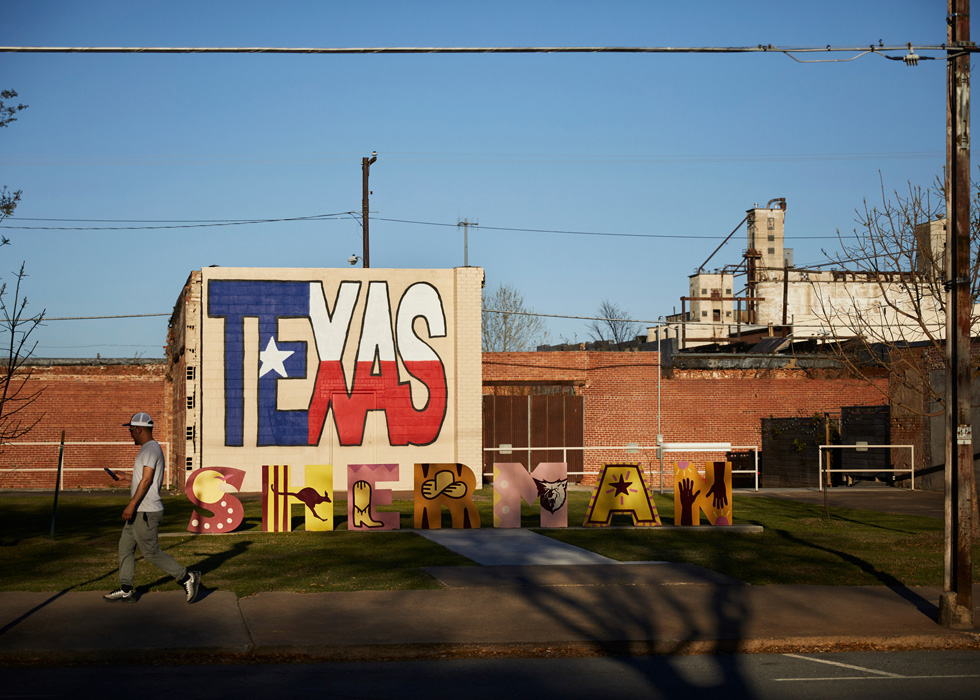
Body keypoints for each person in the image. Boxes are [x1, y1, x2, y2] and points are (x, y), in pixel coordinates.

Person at [104, 412, 201, 604]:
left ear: (139, 429)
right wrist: (125, 477)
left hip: (146, 511)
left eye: (131, 430)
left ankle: (186, 577)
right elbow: (144, 479)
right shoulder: (148, 449)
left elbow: (147, 480)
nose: (130, 433)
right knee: (125, 547)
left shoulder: (150, 449)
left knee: (150, 552)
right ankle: (126, 590)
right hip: (140, 511)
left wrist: (131, 504)